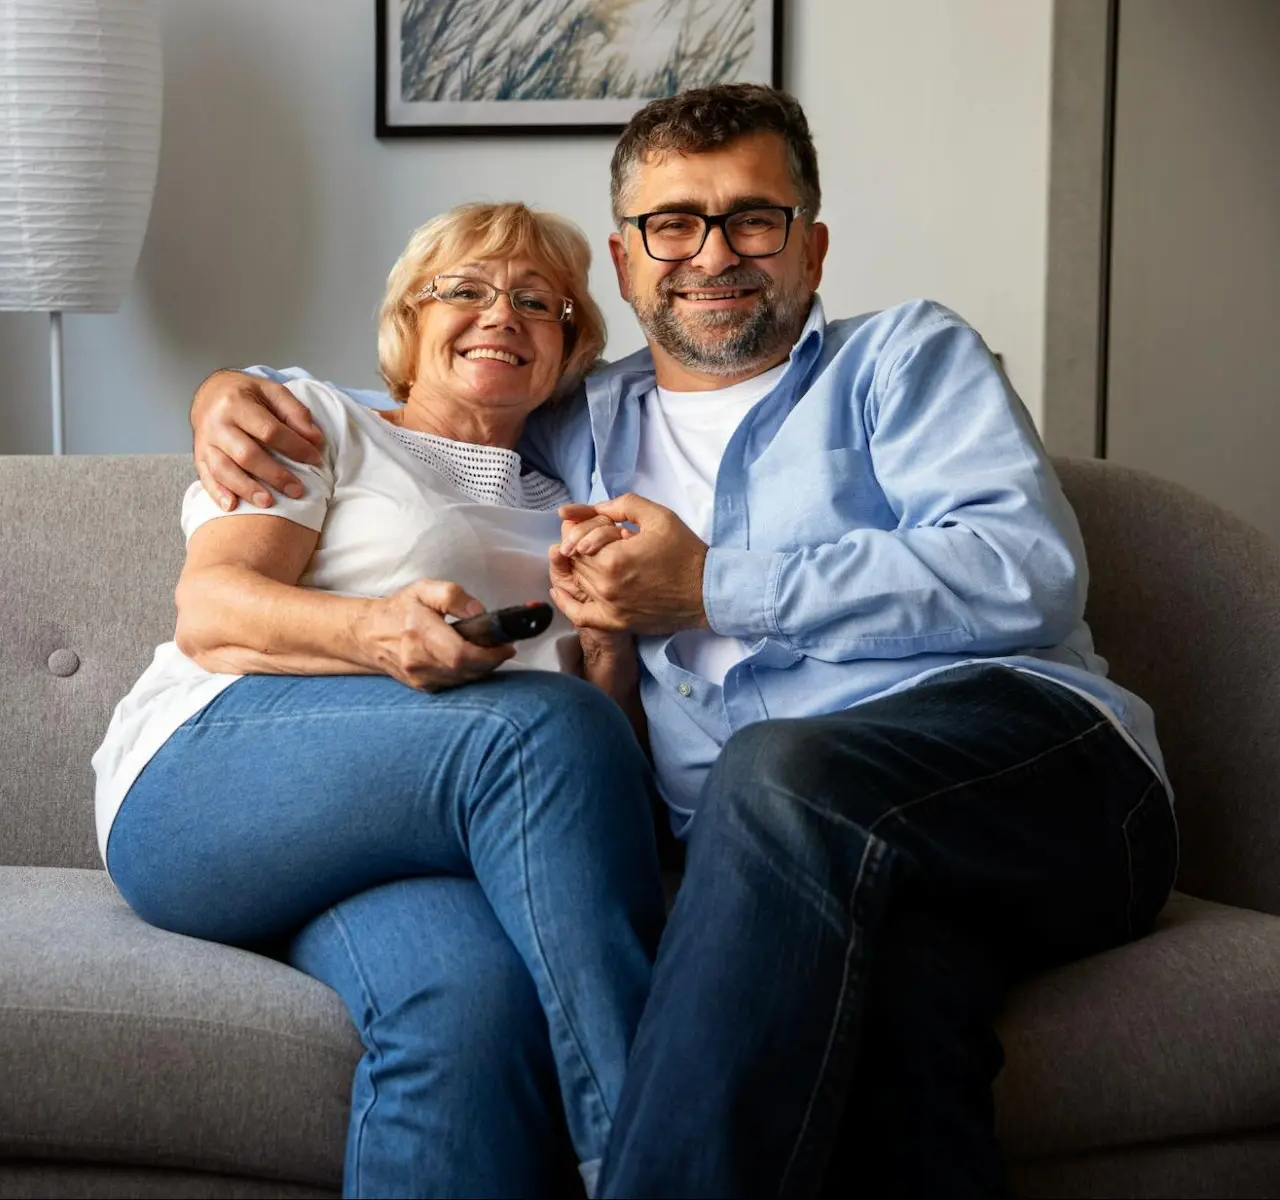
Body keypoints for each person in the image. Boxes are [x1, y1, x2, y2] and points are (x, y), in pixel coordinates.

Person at [188, 85, 1177, 1197]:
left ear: (811, 247)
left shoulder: (905, 360)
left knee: (785, 767)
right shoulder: (576, 428)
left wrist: (712, 586)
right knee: (898, 1041)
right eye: (674, 224)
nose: (713, 254)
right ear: (623, 262)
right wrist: (238, 393)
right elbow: (425, 405)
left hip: (1039, 785)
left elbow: (1026, 569)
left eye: (754, 218)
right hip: (804, 878)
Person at [94, 201, 668, 1199]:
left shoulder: (568, 506)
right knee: (536, 733)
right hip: (204, 780)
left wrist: (609, 654)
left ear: (570, 348)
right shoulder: (320, 422)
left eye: (541, 301)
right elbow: (212, 611)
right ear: (411, 318)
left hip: (402, 840)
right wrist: (376, 632)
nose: (504, 314)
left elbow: (588, 784)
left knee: (470, 1012)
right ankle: (651, 1161)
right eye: (467, 290)